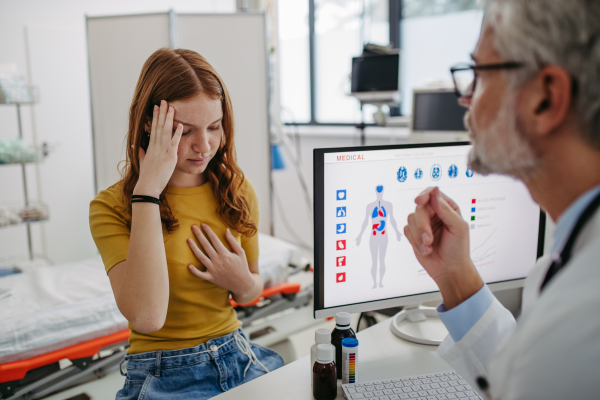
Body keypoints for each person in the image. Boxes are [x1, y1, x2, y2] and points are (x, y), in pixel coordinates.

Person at [403, 0, 600, 398]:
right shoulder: (576, 258)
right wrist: (454, 276)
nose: (466, 98)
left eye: (478, 74)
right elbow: (525, 374)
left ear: (545, 98)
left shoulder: (583, 317)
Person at [89, 48, 283, 400]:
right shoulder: (111, 207)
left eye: (213, 127)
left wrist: (240, 280)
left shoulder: (237, 191)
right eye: (185, 130)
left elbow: (251, 290)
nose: (203, 146)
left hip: (236, 354)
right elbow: (147, 317)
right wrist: (147, 191)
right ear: (150, 123)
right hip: (162, 372)